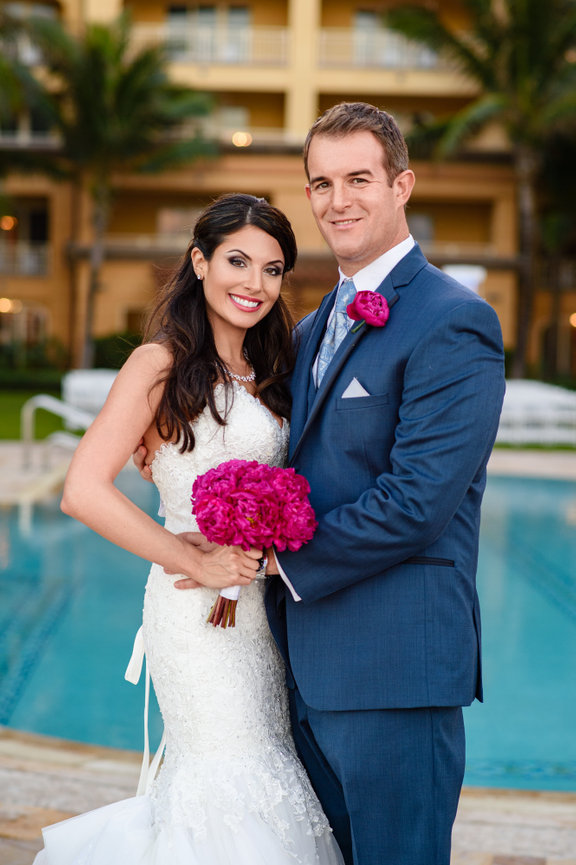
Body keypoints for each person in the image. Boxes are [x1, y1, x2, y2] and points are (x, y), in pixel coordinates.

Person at [155, 103, 506, 865]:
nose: (337, 200)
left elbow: (417, 502)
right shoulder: (310, 328)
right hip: (299, 673)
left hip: (395, 672)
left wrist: (267, 559)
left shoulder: (454, 319)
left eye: (359, 179)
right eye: (321, 183)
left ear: (402, 185)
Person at [33, 193, 345, 865]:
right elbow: (82, 490)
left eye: (272, 269)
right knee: (225, 773)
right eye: (237, 261)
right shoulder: (159, 363)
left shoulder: (277, 371)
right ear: (200, 262)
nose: (255, 283)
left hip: (265, 610)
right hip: (194, 613)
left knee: (270, 767)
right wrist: (192, 558)